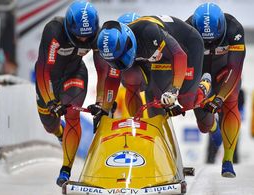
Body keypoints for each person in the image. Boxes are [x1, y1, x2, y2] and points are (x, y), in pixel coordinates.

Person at [35, 0, 114, 187]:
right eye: (79, 36)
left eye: (88, 36)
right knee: (49, 123)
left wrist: (101, 102)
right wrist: (51, 101)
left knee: (73, 113)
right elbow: (43, 70)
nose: (84, 40)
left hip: (75, 73)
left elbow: (103, 71)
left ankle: (65, 169)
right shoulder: (54, 31)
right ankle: (59, 132)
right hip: (48, 80)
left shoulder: (97, 36)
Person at [96, 16, 212, 122]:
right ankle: (137, 124)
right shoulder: (117, 50)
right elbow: (112, 79)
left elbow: (179, 55)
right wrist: (104, 110)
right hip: (160, 56)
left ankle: (203, 85)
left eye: (122, 57)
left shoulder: (149, 33)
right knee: (155, 104)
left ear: (129, 43)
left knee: (187, 102)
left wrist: (174, 89)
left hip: (186, 46)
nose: (120, 62)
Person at [186, 2, 246, 177]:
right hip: (199, 76)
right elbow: (184, 67)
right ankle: (213, 128)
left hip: (225, 73)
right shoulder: (186, 29)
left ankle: (228, 161)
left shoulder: (234, 29)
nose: (210, 43)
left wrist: (219, 98)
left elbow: (236, 68)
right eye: (205, 41)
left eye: (213, 40)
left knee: (231, 102)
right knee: (203, 125)